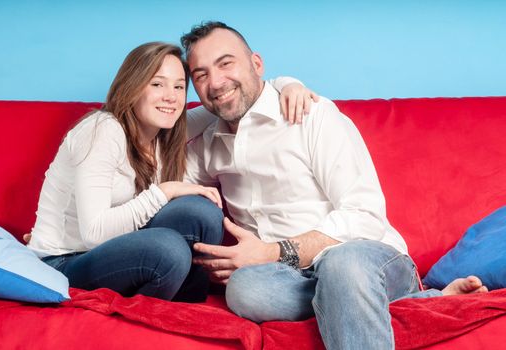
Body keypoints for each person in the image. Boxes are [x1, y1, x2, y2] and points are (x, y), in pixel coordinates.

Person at [179, 21, 488, 348]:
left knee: (342, 266)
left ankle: (374, 291)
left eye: (226, 63)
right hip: (292, 276)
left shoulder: (311, 114)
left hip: (366, 256)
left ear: (257, 64)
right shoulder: (206, 144)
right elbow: (161, 164)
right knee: (244, 289)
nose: (215, 82)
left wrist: (271, 251)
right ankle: (415, 301)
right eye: (201, 75)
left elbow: (364, 216)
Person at [27, 41, 317, 302]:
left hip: (121, 251)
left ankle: (187, 296)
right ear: (132, 87)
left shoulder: (165, 131)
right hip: (65, 260)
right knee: (168, 249)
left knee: (200, 211)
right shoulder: (103, 129)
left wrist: (287, 84)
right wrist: (165, 191)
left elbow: (234, 98)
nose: (170, 97)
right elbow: (93, 234)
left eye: (179, 87)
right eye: (157, 84)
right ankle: (155, 301)